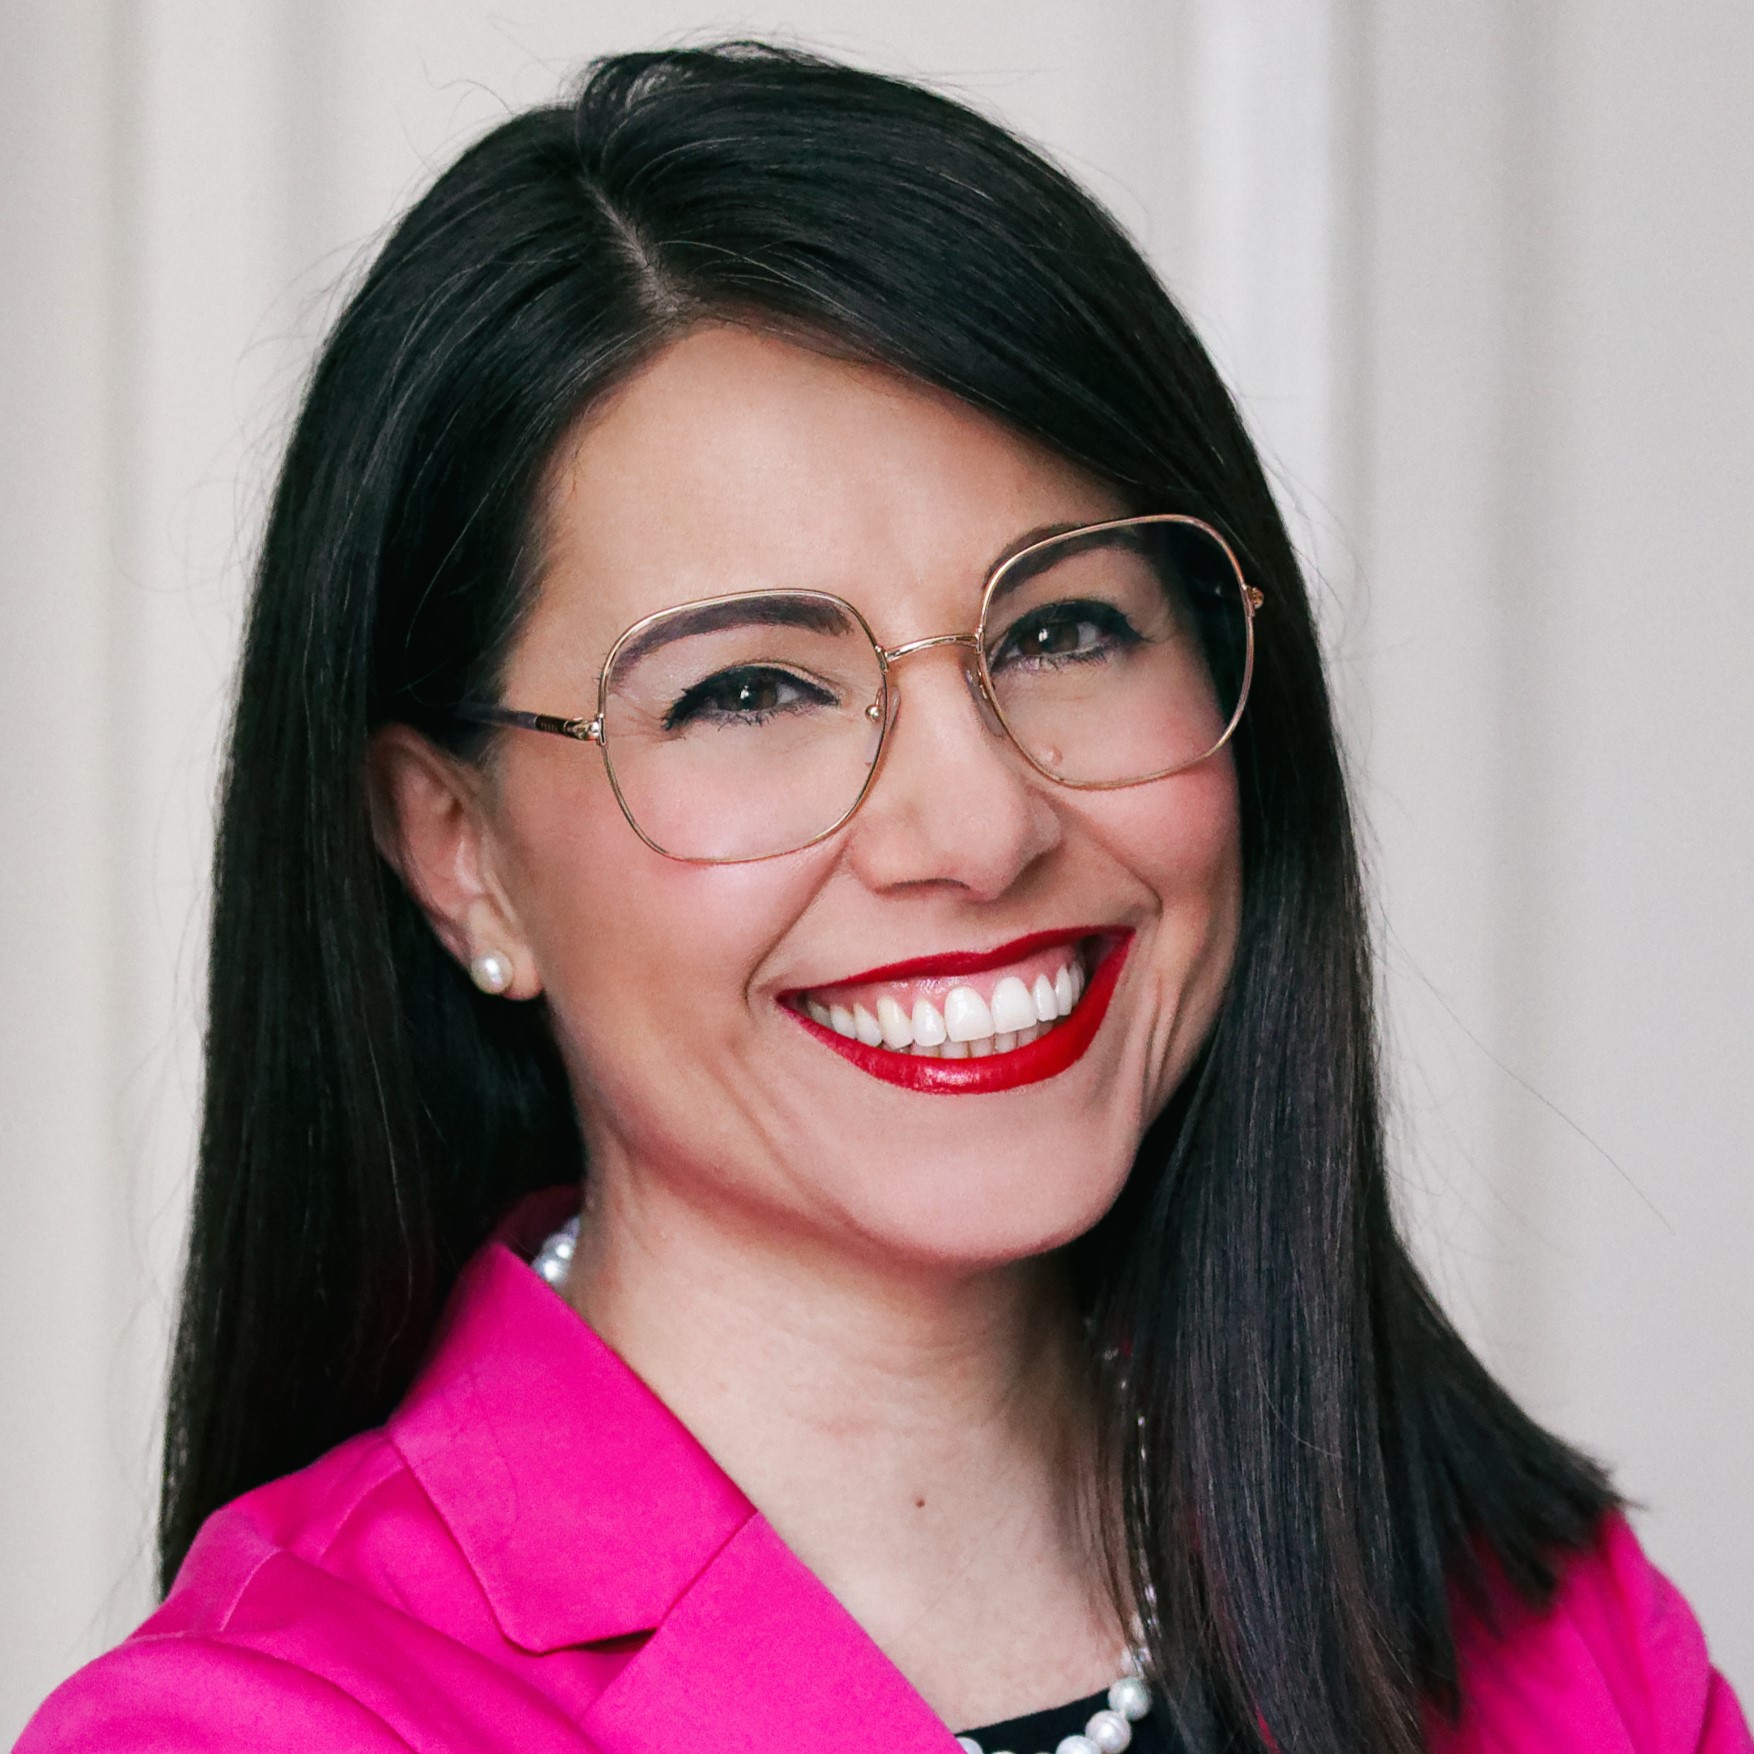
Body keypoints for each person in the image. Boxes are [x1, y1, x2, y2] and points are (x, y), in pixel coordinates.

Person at [16, 42, 1749, 1754]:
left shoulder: (1550, 1625)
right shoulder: (253, 1728)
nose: (979, 826)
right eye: (749, 689)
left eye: (1061, 629)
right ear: (458, 845)